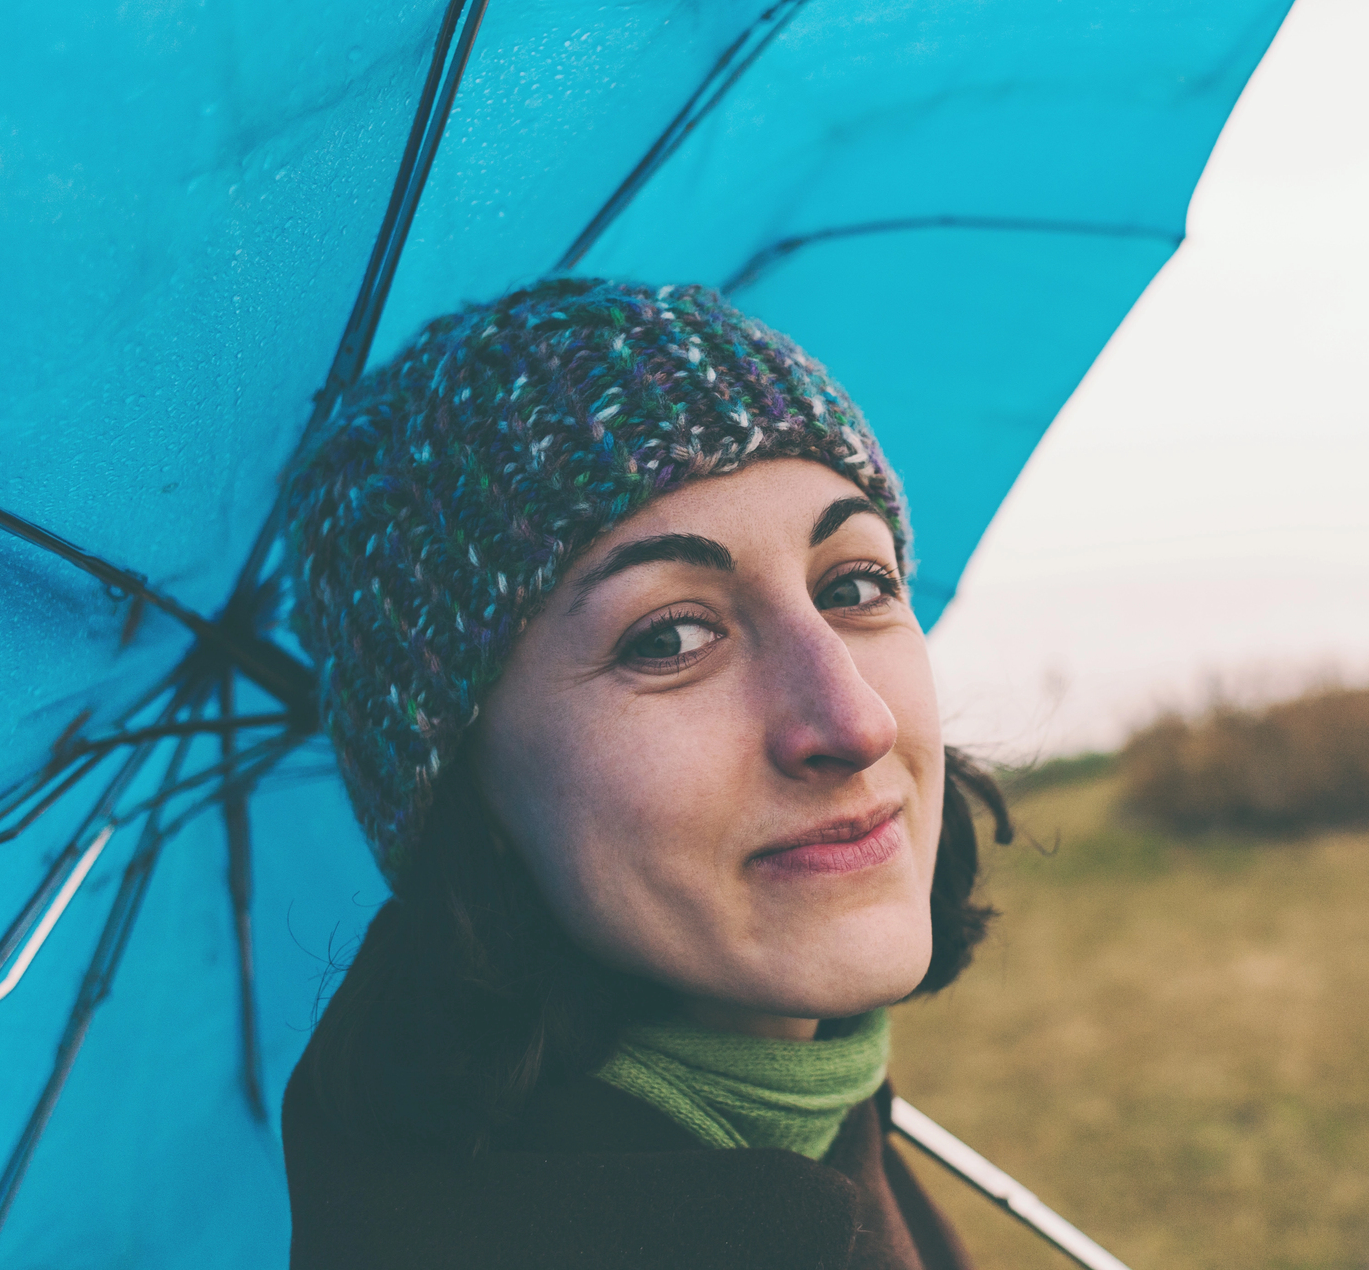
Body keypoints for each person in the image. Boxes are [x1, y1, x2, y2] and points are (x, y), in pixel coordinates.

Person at [278, 277, 1012, 1269]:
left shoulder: (822, 1119)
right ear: (471, 792)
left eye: (855, 585)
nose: (854, 719)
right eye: (668, 635)